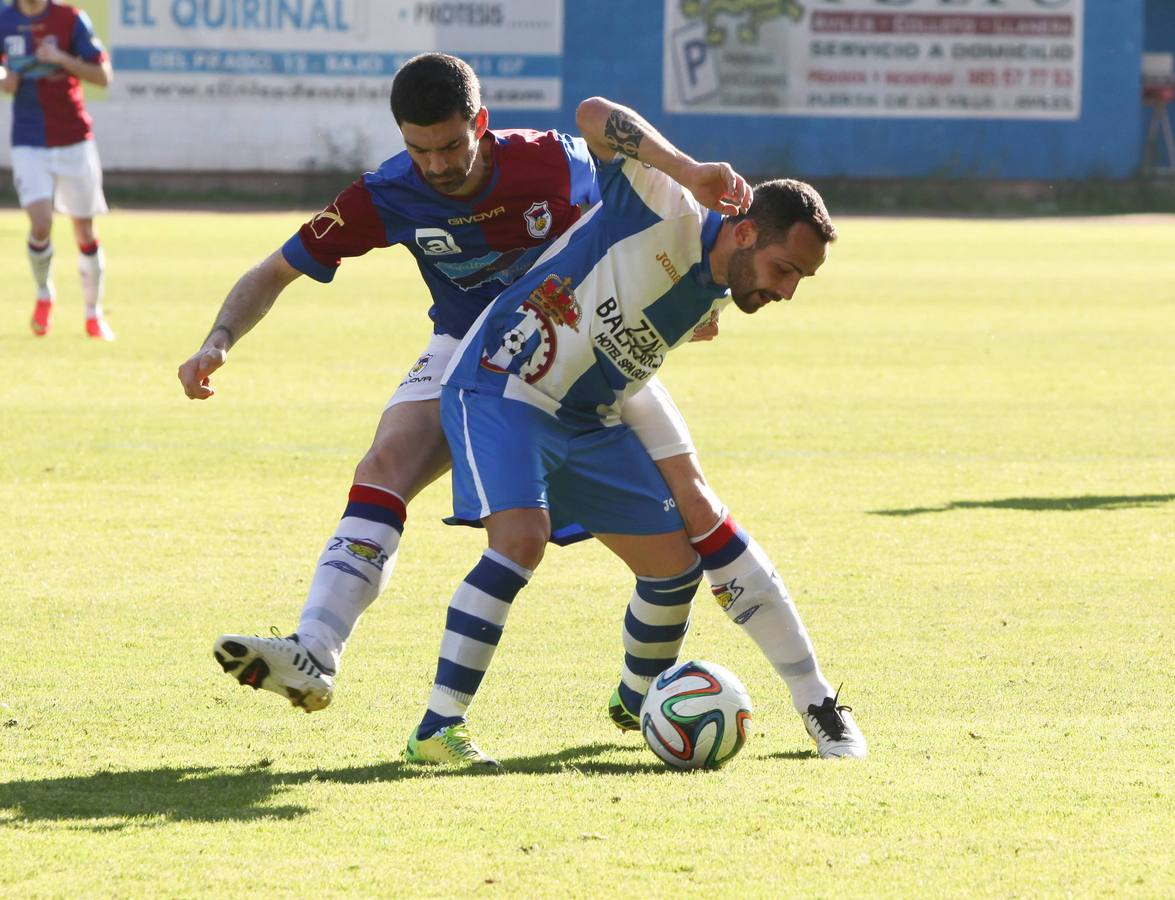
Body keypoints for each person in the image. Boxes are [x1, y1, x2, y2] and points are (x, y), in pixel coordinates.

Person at [178, 54, 862, 760]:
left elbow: (640, 196)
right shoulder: (384, 194)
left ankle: (704, 700)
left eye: (450, 145)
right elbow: (274, 270)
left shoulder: (552, 163)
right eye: (419, 150)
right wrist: (218, 341)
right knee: (388, 465)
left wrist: (685, 299)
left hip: (594, 353)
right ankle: (316, 650)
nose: (436, 165)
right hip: (490, 352)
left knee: (690, 525)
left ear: (480, 123)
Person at [402, 96, 867, 768]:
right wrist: (685, 166)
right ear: (742, 234)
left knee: (674, 567)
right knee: (519, 540)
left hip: (589, 417)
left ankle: (641, 699)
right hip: (504, 384)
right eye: (784, 270)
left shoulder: (717, 283)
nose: (788, 291)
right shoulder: (665, 202)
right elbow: (593, 114)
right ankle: (436, 729)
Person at [0, 0, 113, 340]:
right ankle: (44, 294)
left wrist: (61, 58)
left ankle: (93, 314)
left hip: (73, 139)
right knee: (40, 222)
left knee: (85, 231)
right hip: (29, 139)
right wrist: (4, 77)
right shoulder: (4, 19)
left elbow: (103, 76)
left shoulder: (70, 19)